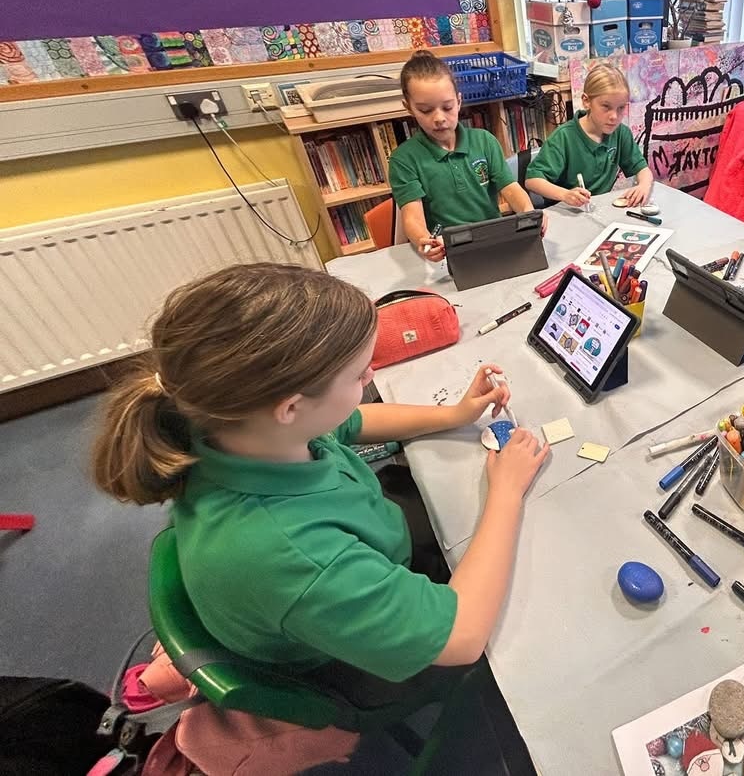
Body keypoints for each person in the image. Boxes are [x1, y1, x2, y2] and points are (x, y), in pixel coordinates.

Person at [91, 262, 550, 688]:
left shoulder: (232, 425)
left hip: (350, 551)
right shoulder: (293, 554)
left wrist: (452, 415)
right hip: (344, 660)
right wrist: (506, 491)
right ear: (291, 407)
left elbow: (352, 421)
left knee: (444, 496)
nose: (371, 377)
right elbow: (463, 636)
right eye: (359, 375)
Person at [389, 50, 544, 262]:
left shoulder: (484, 141)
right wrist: (424, 241)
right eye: (425, 110)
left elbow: (510, 188)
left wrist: (529, 214)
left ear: (459, 101)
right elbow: (412, 217)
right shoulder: (404, 159)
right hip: (449, 249)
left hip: (493, 241)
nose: (439, 118)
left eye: (447, 107)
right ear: (409, 108)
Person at [524, 61, 653, 207]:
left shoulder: (621, 133)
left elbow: (643, 170)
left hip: (600, 209)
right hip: (567, 211)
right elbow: (532, 180)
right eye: (606, 106)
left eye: (621, 108)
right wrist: (565, 194)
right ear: (586, 101)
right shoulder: (564, 137)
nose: (614, 116)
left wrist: (643, 186)